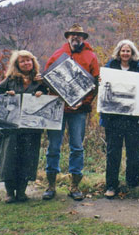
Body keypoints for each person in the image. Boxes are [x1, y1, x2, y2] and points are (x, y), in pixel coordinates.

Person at [42, 23, 100, 201]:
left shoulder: (91, 56)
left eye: (79, 35)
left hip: (78, 111)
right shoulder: (57, 55)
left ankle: (74, 185)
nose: (76, 38)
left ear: (83, 38)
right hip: (57, 108)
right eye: (73, 35)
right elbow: (47, 80)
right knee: (53, 147)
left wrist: (84, 104)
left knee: (77, 147)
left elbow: (95, 84)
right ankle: (51, 185)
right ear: (68, 37)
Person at [0, 50, 47, 203]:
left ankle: (22, 192)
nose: (26, 63)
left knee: (27, 157)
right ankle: (10, 193)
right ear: (17, 64)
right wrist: (7, 94)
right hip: (11, 128)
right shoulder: (10, 80)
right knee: (9, 158)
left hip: (30, 129)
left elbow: (48, 99)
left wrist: (41, 93)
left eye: (28, 60)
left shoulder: (39, 80)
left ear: (33, 62)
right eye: (22, 61)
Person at [100, 40, 139, 198]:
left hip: (133, 118)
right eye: (123, 51)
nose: (125, 53)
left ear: (132, 53)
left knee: (133, 152)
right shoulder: (109, 66)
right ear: (118, 52)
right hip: (114, 118)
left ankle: (132, 185)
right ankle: (111, 185)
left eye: (128, 51)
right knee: (113, 153)